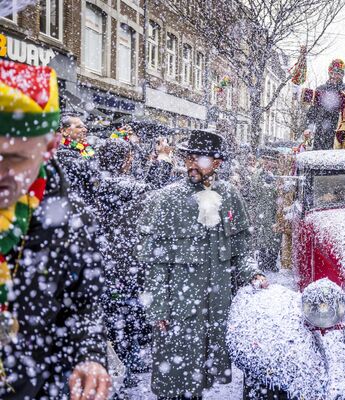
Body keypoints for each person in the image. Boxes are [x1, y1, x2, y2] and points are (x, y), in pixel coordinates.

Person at [0, 60, 110, 398]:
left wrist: (89, 356)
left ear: (48, 149)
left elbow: (85, 303)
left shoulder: (70, 224)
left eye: (16, 159)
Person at [137, 129, 268, 399]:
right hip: (178, 310)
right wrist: (158, 305)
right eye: (188, 157)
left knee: (201, 379)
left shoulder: (230, 196)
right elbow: (155, 262)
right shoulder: (167, 199)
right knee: (173, 382)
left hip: (215, 309)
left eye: (200, 158)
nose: (191, 164)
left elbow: (241, 249)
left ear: (217, 163)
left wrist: (253, 273)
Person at [95, 138, 173, 390]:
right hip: (121, 262)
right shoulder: (116, 185)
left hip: (114, 261)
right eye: (128, 157)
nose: (130, 161)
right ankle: (125, 363)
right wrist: (162, 162)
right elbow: (154, 192)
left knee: (124, 312)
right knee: (125, 314)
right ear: (123, 160)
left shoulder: (101, 182)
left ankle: (126, 359)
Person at [303, 59, 345, 150]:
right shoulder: (320, 89)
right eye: (332, 73)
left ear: (342, 75)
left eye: (338, 73)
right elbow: (313, 111)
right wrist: (309, 126)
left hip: (341, 130)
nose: (335, 76)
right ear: (329, 73)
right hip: (321, 131)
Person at [55, 114, 99, 205]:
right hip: (71, 206)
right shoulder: (60, 151)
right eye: (79, 127)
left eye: (85, 126)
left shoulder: (83, 148)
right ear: (64, 131)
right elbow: (93, 171)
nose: (85, 130)